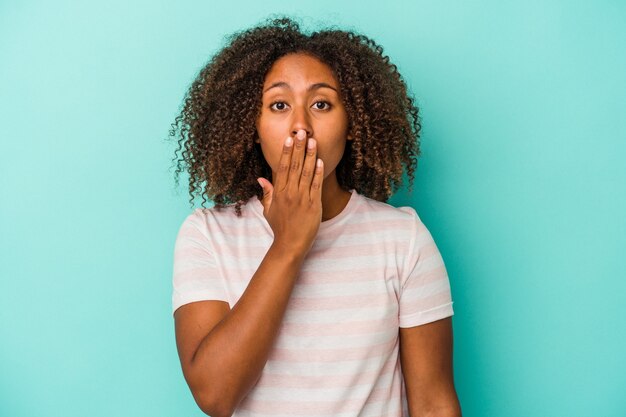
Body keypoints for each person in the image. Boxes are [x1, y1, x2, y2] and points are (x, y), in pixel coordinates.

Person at [169, 16, 461, 417]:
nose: (300, 127)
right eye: (279, 105)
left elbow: (434, 404)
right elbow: (215, 395)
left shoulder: (403, 239)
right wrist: (289, 245)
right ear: (252, 127)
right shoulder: (206, 234)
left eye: (321, 104)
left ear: (353, 123)